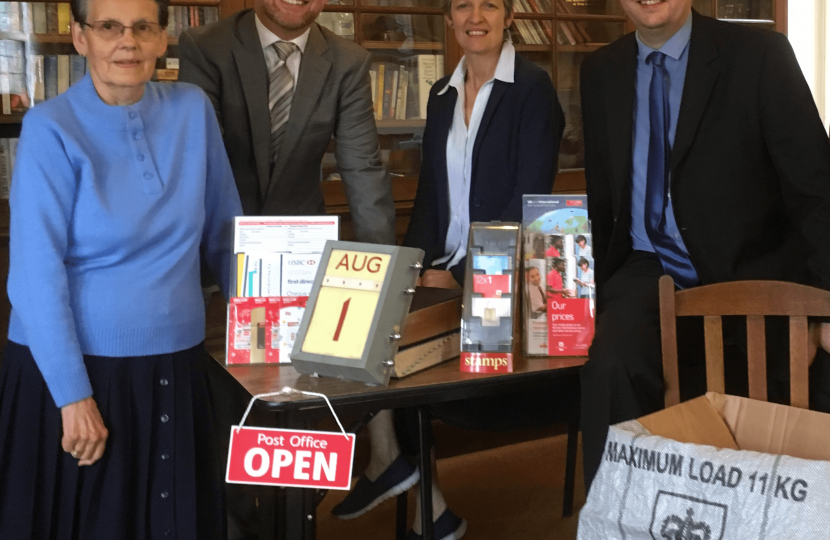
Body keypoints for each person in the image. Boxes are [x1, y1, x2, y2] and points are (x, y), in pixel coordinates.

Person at [0, 0, 242, 536]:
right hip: (77, 372)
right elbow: (35, 276)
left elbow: (228, 233)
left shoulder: (193, 109)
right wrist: (72, 395)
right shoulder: (49, 127)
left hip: (177, 364)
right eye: (108, 26)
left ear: (162, 39)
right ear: (80, 38)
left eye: (142, 28)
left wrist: (266, 331)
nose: (126, 42)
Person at [331, 0, 564, 536]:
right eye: (463, 4)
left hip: (500, 278)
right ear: (451, 17)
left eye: (489, 4)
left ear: (507, 15)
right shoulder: (442, 93)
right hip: (443, 265)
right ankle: (412, 486)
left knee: (398, 347)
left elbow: (528, 202)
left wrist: (460, 278)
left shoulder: (533, 89)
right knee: (365, 310)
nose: (474, 16)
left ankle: (398, 474)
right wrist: (409, 269)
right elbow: (432, 200)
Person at [579, 0, 830, 493]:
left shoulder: (760, 55)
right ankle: (620, 515)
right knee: (609, 363)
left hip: (754, 266)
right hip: (646, 265)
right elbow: (600, 199)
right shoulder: (599, 71)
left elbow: (816, 190)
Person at [176, 0, 395, 245]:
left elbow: (362, 168)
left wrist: (382, 260)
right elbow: (199, 157)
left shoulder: (349, 61)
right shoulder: (206, 47)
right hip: (219, 235)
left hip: (302, 242)